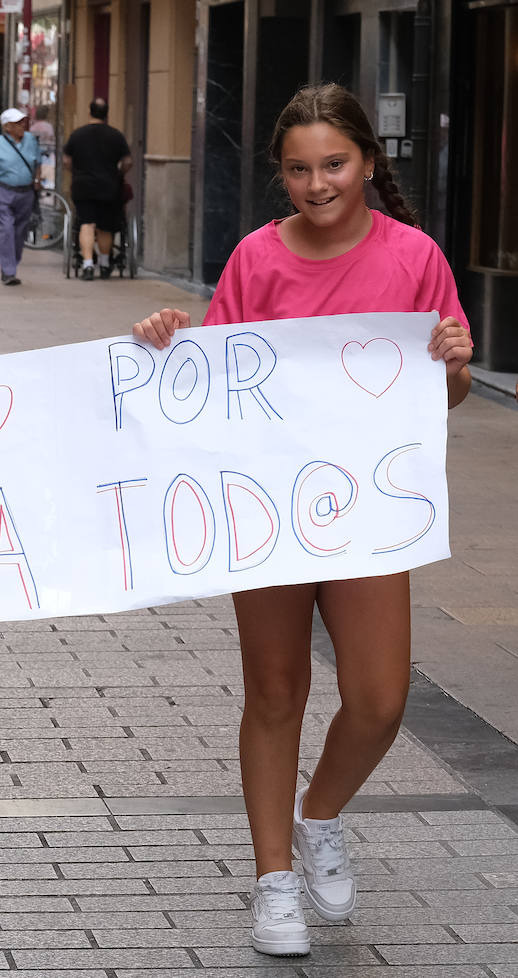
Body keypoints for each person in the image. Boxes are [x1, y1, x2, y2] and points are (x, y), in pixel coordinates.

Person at [132, 82, 473, 959]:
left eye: (335, 164)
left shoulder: (415, 256)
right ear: (279, 174)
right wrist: (172, 337)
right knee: (276, 692)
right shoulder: (255, 257)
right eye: (298, 169)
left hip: (369, 508)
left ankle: (320, 814)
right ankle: (273, 879)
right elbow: (216, 377)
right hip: (268, 506)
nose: (318, 184)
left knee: (379, 698)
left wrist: (454, 362)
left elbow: (447, 393)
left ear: (367, 162)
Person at [63, 97, 133, 280]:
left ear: (89, 112)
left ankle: (87, 265)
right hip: (108, 186)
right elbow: (127, 161)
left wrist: (76, 171)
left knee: (86, 223)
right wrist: (119, 173)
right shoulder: (116, 135)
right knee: (105, 227)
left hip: (83, 185)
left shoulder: (77, 135)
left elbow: (66, 160)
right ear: (107, 114)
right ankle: (104, 263)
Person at [0, 107, 41, 286]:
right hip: (3, 191)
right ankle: (8, 271)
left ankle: (12, 263)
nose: (22, 125)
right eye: (17, 123)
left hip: (26, 193)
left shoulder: (30, 140)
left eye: (23, 122)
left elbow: (37, 162)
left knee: (20, 232)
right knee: (6, 229)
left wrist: (37, 179)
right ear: (7, 127)